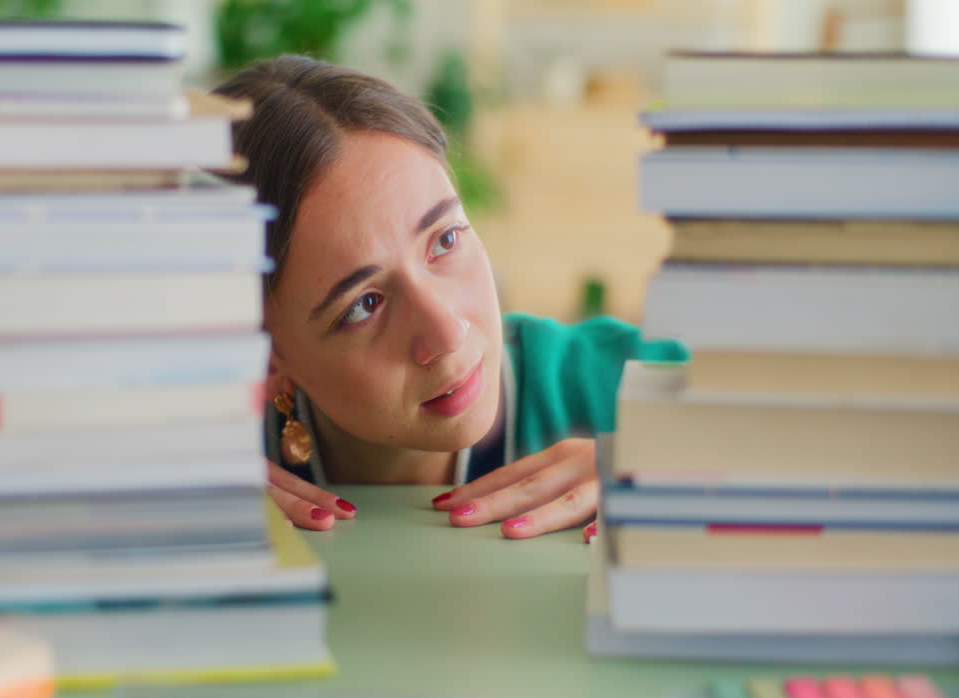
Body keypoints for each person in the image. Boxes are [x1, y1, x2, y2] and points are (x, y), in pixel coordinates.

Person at [213, 56, 685, 542]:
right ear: (266, 355)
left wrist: (695, 466)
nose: (447, 332)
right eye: (363, 305)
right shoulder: (196, 448)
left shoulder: (619, 384)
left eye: (445, 240)